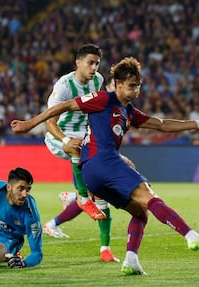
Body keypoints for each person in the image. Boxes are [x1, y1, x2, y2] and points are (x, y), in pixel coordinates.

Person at [11, 57, 199, 275]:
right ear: (118, 83)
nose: (136, 90)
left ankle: (131, 260)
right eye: (132, 85)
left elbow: (161, 125)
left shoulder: (129, 111)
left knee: (140, 212)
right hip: (103, 161)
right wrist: (29, 124)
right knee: (149, 196)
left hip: (94, 174)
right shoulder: (103, 99)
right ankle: (191, 237)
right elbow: (64, 106)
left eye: (138, 85)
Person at [42, 43, 119, 262]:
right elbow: (49, 121)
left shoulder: (99, 81)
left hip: (84, 136)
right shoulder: (64, 85)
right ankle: (81, 197)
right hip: (60, 136)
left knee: (101, 190)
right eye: (90, 63)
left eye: (97, 63)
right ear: (78, 62)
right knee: (81, 149)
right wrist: (65, 140)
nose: (94, 67)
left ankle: (105, 249)